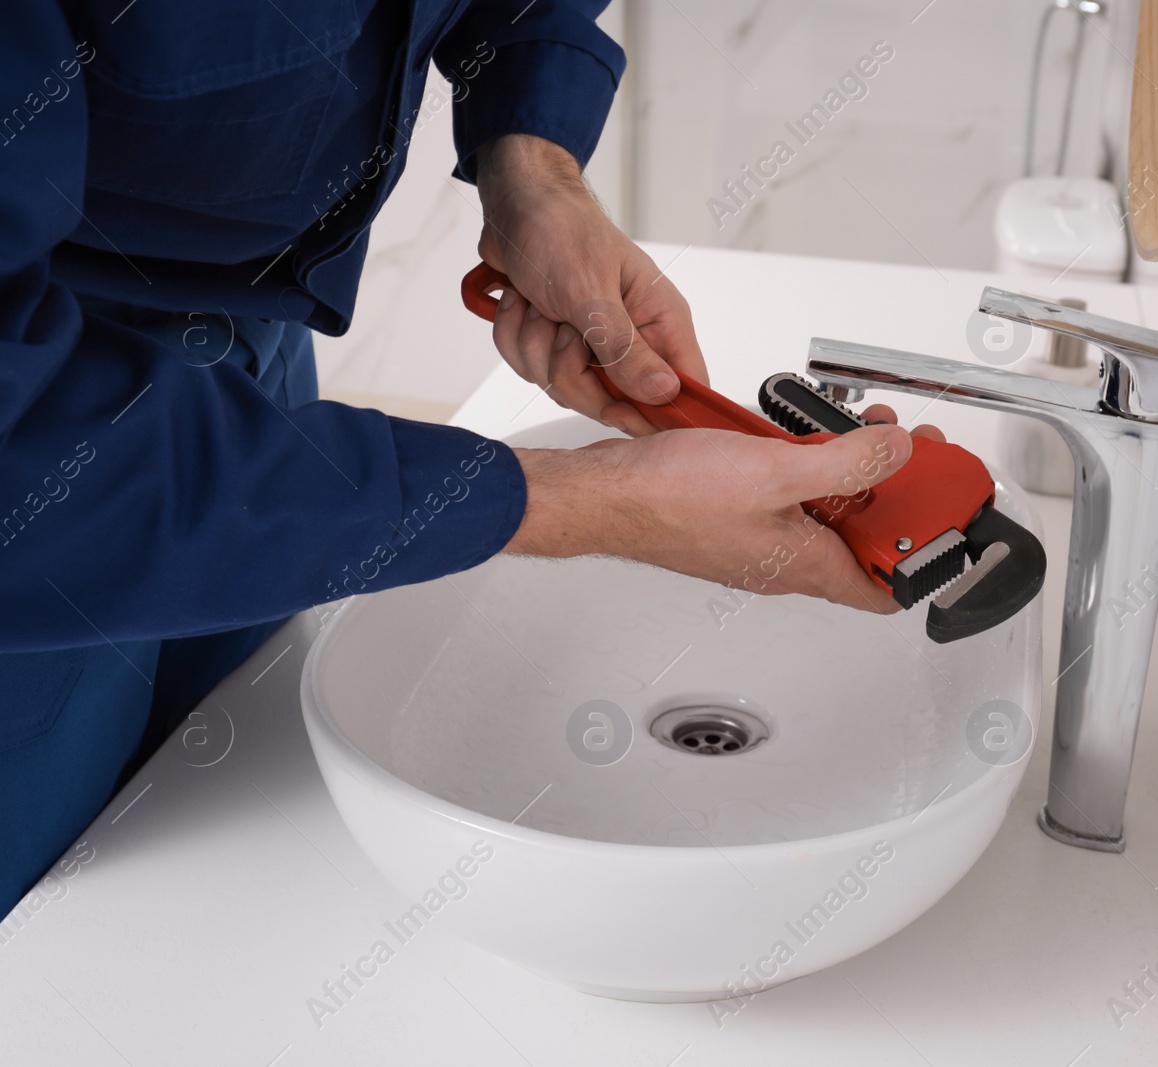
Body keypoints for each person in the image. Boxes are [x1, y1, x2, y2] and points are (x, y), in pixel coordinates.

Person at [0, 1, 927, 913]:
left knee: (232, 837)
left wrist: (531, 155)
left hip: (256, 352)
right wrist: (597, 504)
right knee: (53, 942)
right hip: (54, 470)